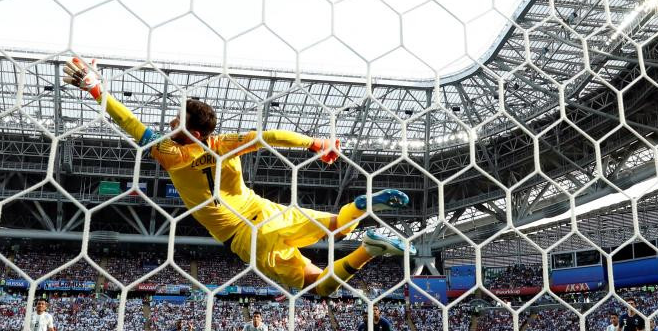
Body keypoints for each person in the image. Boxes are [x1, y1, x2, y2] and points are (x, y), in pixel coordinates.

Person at [63, 58, 415, 294]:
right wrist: (316, 143)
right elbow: (271, 136)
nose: (171, 124)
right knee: (337, 226)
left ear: (195, 133)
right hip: (265, 209)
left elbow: (129, 123)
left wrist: (96, 89)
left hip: (246, 235)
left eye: (178, 121)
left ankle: (368, 249)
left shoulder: (171, 153)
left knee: (314, 287)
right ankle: (364, 213)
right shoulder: (224, 143)